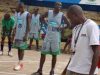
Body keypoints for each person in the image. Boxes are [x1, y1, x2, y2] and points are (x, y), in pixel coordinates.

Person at [32, 2, 70, 75]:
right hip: (48, 34)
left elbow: (68, 24)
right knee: (43, 53)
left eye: (60, 6)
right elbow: (41, 17)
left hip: (56, 36)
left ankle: (52, 71)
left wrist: (61, 27)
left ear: (61, 7)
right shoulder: (49, 12)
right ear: (54, 6)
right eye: (57, 5)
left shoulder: (62, 15)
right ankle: (40, 70)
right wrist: (45, 23)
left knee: (54, 54)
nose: (59, 7)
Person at [62, 5, 100, 75]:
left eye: (70, 18)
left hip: (84, 72)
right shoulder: (76, 28)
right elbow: (74, 53)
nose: (70, 21)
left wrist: (91, 73)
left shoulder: (91, 26)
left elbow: (97, 52)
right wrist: (65, 71)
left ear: (75, 15)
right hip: (71, 69)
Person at [13, 3, 31, 71]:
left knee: (22, 49)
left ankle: (20, 64)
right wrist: (14, 31)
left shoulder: (27, 14)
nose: (16, 9)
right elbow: (17, 23)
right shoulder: (18, 14)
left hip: (23, 35)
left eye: (17, 8)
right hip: (18, 34)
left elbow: (29, 26)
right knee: (19, 49)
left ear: (21, 7)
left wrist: (26, 35)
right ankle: (20, 63)